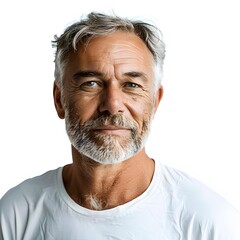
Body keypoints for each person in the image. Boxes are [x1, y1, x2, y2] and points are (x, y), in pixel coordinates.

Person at [0, 12, 240, 240]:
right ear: (59, 99)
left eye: (132, 85)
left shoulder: (209, 221)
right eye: (91, 83)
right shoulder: (18, 212)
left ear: (155, 102)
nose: (112, 105)